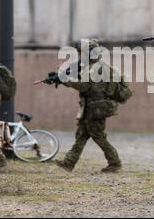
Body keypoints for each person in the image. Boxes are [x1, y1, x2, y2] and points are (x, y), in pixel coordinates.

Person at [44, 39, 131, 173]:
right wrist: (61, 79)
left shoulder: (95, 68)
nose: (79, 56)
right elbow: (82, 83)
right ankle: (69, 163)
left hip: (96, 108)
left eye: (81, 53)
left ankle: (115, 163)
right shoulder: (93, 66)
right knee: (82, 135)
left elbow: (84, 85)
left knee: (97, 135)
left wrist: (65, 79)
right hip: (91, 107)